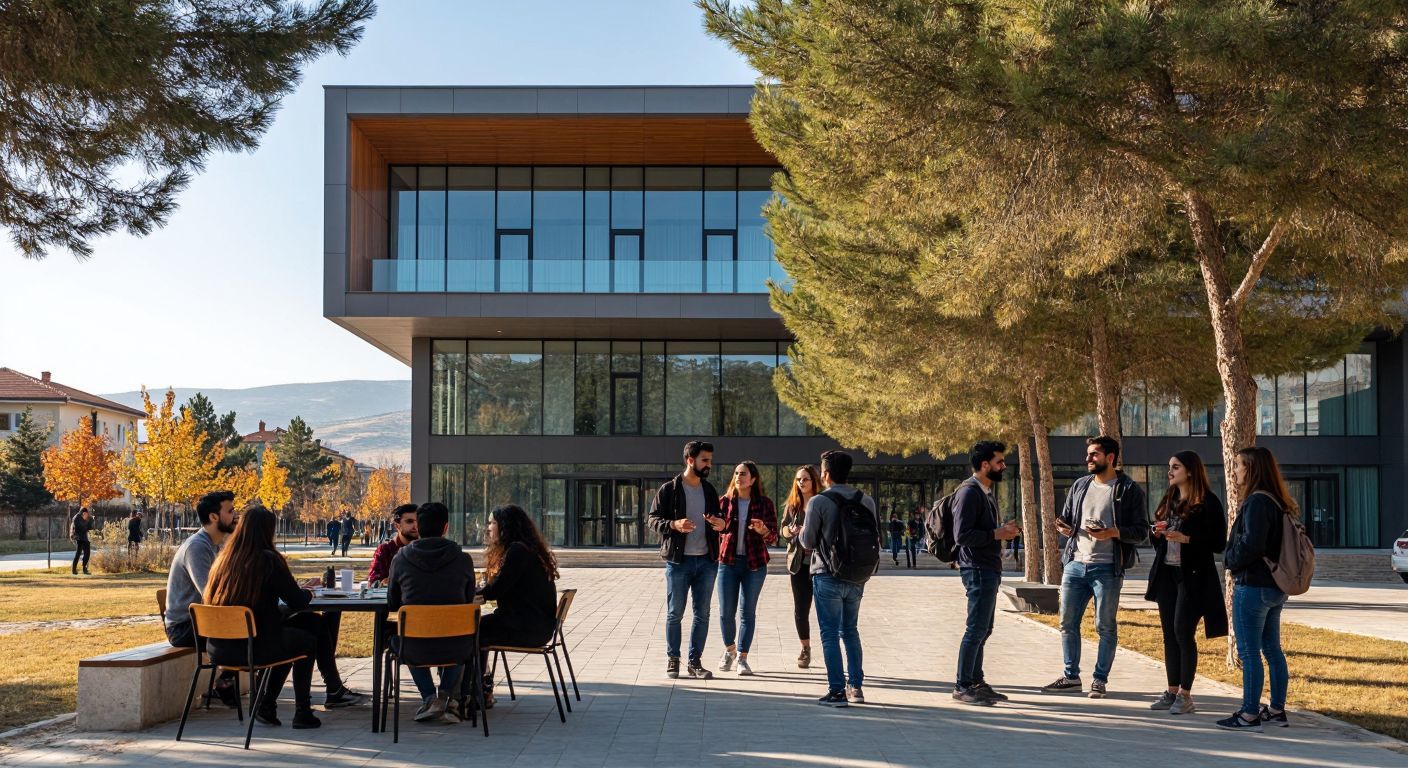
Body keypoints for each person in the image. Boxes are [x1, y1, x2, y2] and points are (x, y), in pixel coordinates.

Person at [203, 506, 329, 729]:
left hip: (219, 647)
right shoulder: (269, 560)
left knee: (313, 623)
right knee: (305, 640)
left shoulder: (223, 560)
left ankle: (266, 706)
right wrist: (309, 591)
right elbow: (297, 601)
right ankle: (301, 712)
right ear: (267, 531)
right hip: (254, 646)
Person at [1043, 435, 1148, 699]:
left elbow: (1140, 532)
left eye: (1094, 455)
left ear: (1110, 458)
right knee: (1067, 623)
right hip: (1075, 566)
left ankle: (1099, 680)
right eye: (1088, 454)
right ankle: (1071, 677)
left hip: (1108, 568)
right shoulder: (1079, 486)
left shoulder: (1128, 490)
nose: (1088, 459)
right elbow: (1066, 519)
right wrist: (1063, 528)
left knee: (1105, 626)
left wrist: (1112, 532)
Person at [1217, 446, 1296, 733]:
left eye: (1238, 465)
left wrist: (1229, 559)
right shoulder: (1277, 501)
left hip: (1253, 586)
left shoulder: (1257, 502)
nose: (1234, 470)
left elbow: (1252, 543)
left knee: (1249, 652)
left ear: (1251, 468)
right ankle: (1276, 709)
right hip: (1275, 587)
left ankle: (1249, 714)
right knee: (1272, 650)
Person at [1146, 451, 1227, 716]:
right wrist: (1156, 533)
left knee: (1183, 631)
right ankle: (1171, 691)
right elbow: (1160, 541)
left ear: (1190, 471)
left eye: (1175, 467)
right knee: (1169, 633)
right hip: (1167, 575)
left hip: (1193, 577)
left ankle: (1186, 694)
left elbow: (1218, 544)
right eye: (1169, 467)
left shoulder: (1208, 502)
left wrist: (1187, 539)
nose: (1170, 472)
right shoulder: (1170, 498)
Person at [800, 450, 878, 707]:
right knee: (850, 631)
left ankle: (836, 691)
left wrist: (800, 531)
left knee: (829, 633)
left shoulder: (818, 502)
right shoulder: (866, 500)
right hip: (858, 575)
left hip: (827, 574)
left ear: (825, 474)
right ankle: (855, 687)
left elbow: (808, 541)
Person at [386, 501, 475, 724]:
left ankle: (429, 698)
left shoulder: (401, 559)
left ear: (419, 527)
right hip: (457, 647)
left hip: (414, 647)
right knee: (464, 636)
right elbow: (468, 600)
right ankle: (444, 697)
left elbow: (392, 604)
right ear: (445, 527)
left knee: (398, 638)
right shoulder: (463, 560)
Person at [647, 440, 725, 681]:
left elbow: (721, 520)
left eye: (710, 460)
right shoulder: (669, 489)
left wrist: (722, 524)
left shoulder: (709, 490)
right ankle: (673, 659)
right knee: (675, 613)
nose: (709, 464)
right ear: (690, 460)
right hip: (678, 563)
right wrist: (673, 524)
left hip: (707, 562)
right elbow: (652, 520)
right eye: (705, 460)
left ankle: (694, 662)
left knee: (702, 614)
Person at [472, 504, 559, 715]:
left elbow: (498, 588)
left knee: (472, 630)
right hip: (537, 624)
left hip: (528, 627)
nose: (489, 528)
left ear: (505, 527)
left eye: (492, 523)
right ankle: (479, 689)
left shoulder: (517, 551)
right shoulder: (528, 549)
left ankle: (477, 692)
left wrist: (472, 594)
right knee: (479, 626)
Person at [952, 440, 1021, 706]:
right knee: (975, 629)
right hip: (977, 569)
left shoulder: (985, 492)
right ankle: (963, 685)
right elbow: (962, 535)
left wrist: (1002, 532)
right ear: (984, 465)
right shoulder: (969, 492)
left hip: (988, 567)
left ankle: (976, 681)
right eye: (999, 462)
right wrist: (997, 533)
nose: (1003, 466)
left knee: (984, 629)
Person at [164, 491, 240, 707]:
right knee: (254, 630)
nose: (235, 516)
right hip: (184, 627)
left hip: (203, 620)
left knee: (258, 627)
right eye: (230, 511)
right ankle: (226, 682)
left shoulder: (216, 545)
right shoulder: (197, 547)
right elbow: (211, 594)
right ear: (214, 517)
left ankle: (227, 681)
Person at [715, 461, 778, 676]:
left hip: (755, 565)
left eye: (743, 474)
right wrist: (718, 526)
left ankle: (742, 657)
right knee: (725, 613)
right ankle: (729, 650)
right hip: (728, 562)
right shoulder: (723, 502)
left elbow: (773, 538)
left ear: (753, 479)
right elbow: (714, 531)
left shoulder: (765, 504)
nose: (738, 477)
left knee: (747, 613)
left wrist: (763, 530)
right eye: (736, 473)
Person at [779, 465, 821, 669]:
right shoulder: (792, 505)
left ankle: (831, 648)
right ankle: (805, 648)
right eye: (798, 479)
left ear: (814, 481)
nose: (801, 483)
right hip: (798, 564)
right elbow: (783, 530)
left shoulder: (822, 503)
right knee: (801, 609)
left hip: (821, 564)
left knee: (824, 609)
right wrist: (790, 530)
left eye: (805, 479)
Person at [369, 504, 418, 586]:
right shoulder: (385, 551)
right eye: (409, 521)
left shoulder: (426, 549)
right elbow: (373, 582)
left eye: (418, 521)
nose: (415, 526)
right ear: (397, 525)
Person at [70, 507, 93, 575]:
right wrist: (87, 522)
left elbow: (88, 528)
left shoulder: (84, 518)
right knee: (78, 553)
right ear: (84, 513)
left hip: (84, 537)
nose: (87, 516)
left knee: (87, 552)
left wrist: (91, 522)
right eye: (87, 515)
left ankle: (84, 568)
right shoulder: (77, 518)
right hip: (78, 537)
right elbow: (80, 528)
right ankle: (74, 570)